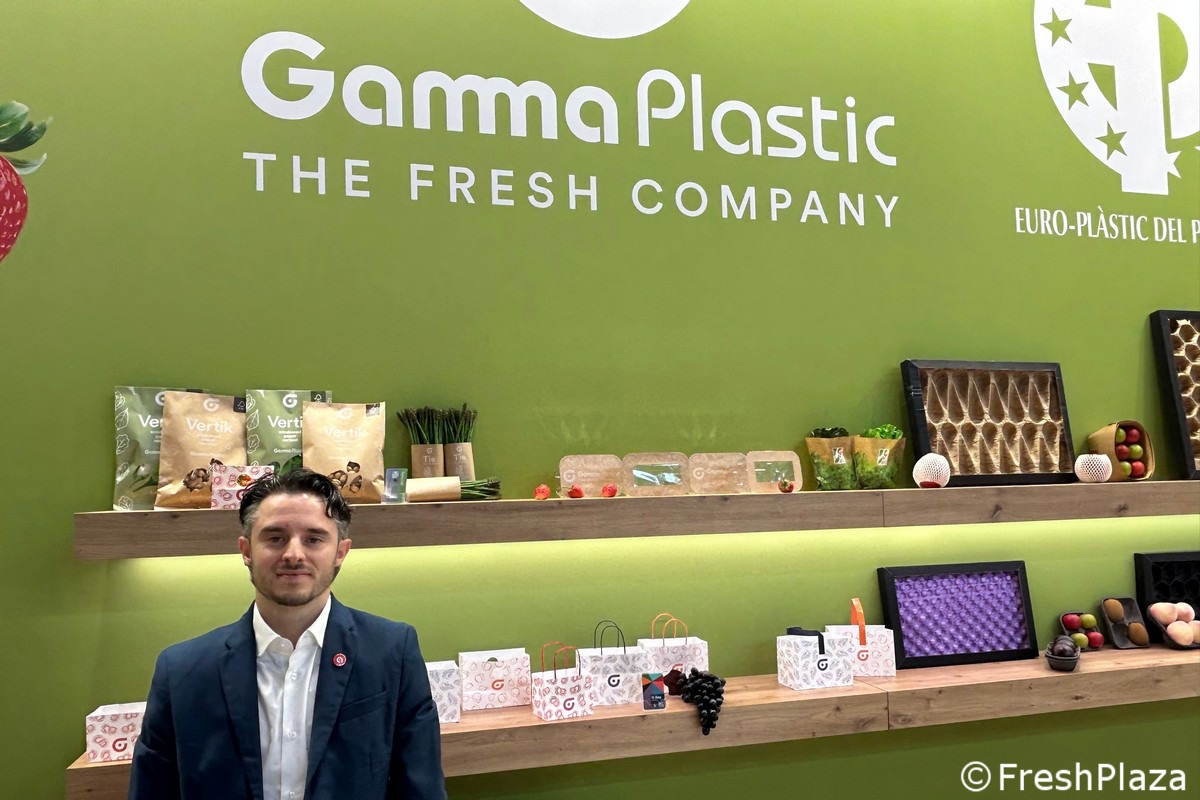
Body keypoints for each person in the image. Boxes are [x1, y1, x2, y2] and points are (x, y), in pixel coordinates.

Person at [129, 468, 446, 800]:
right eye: (275, 538)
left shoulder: (392, 652)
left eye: (313, 539)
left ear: (340, 552)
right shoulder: (181, 671)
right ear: (246, 550)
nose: (294, 554)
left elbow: (421, 787)